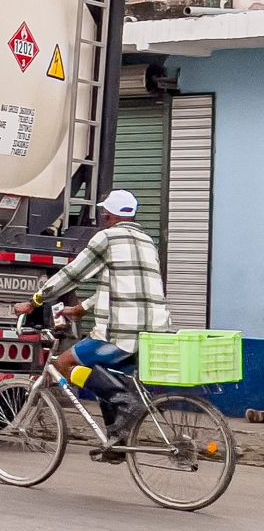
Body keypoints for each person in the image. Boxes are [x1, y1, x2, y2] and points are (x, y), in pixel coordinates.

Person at [13, 188, 169, 447]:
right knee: (106, 377)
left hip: (121, 333)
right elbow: (124, 285)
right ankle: (117, 441)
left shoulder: (105, 238)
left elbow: (72, 274)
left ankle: (129, 403)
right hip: (154, 332)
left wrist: (34, 301)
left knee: (64, 363)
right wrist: (82, 308)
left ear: (108, 216)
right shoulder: (146, 241)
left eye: (102, 213)